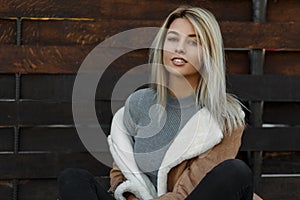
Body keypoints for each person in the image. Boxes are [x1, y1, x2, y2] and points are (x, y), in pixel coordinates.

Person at [58, 6, 263, 200]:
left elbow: (192, 189)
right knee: (73, 178)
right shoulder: (139, 103)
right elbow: (121, 170)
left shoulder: (226, 119)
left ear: (209, 53)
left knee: (235, 172)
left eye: (193, 41)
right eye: (173, 39)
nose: (180, 49)